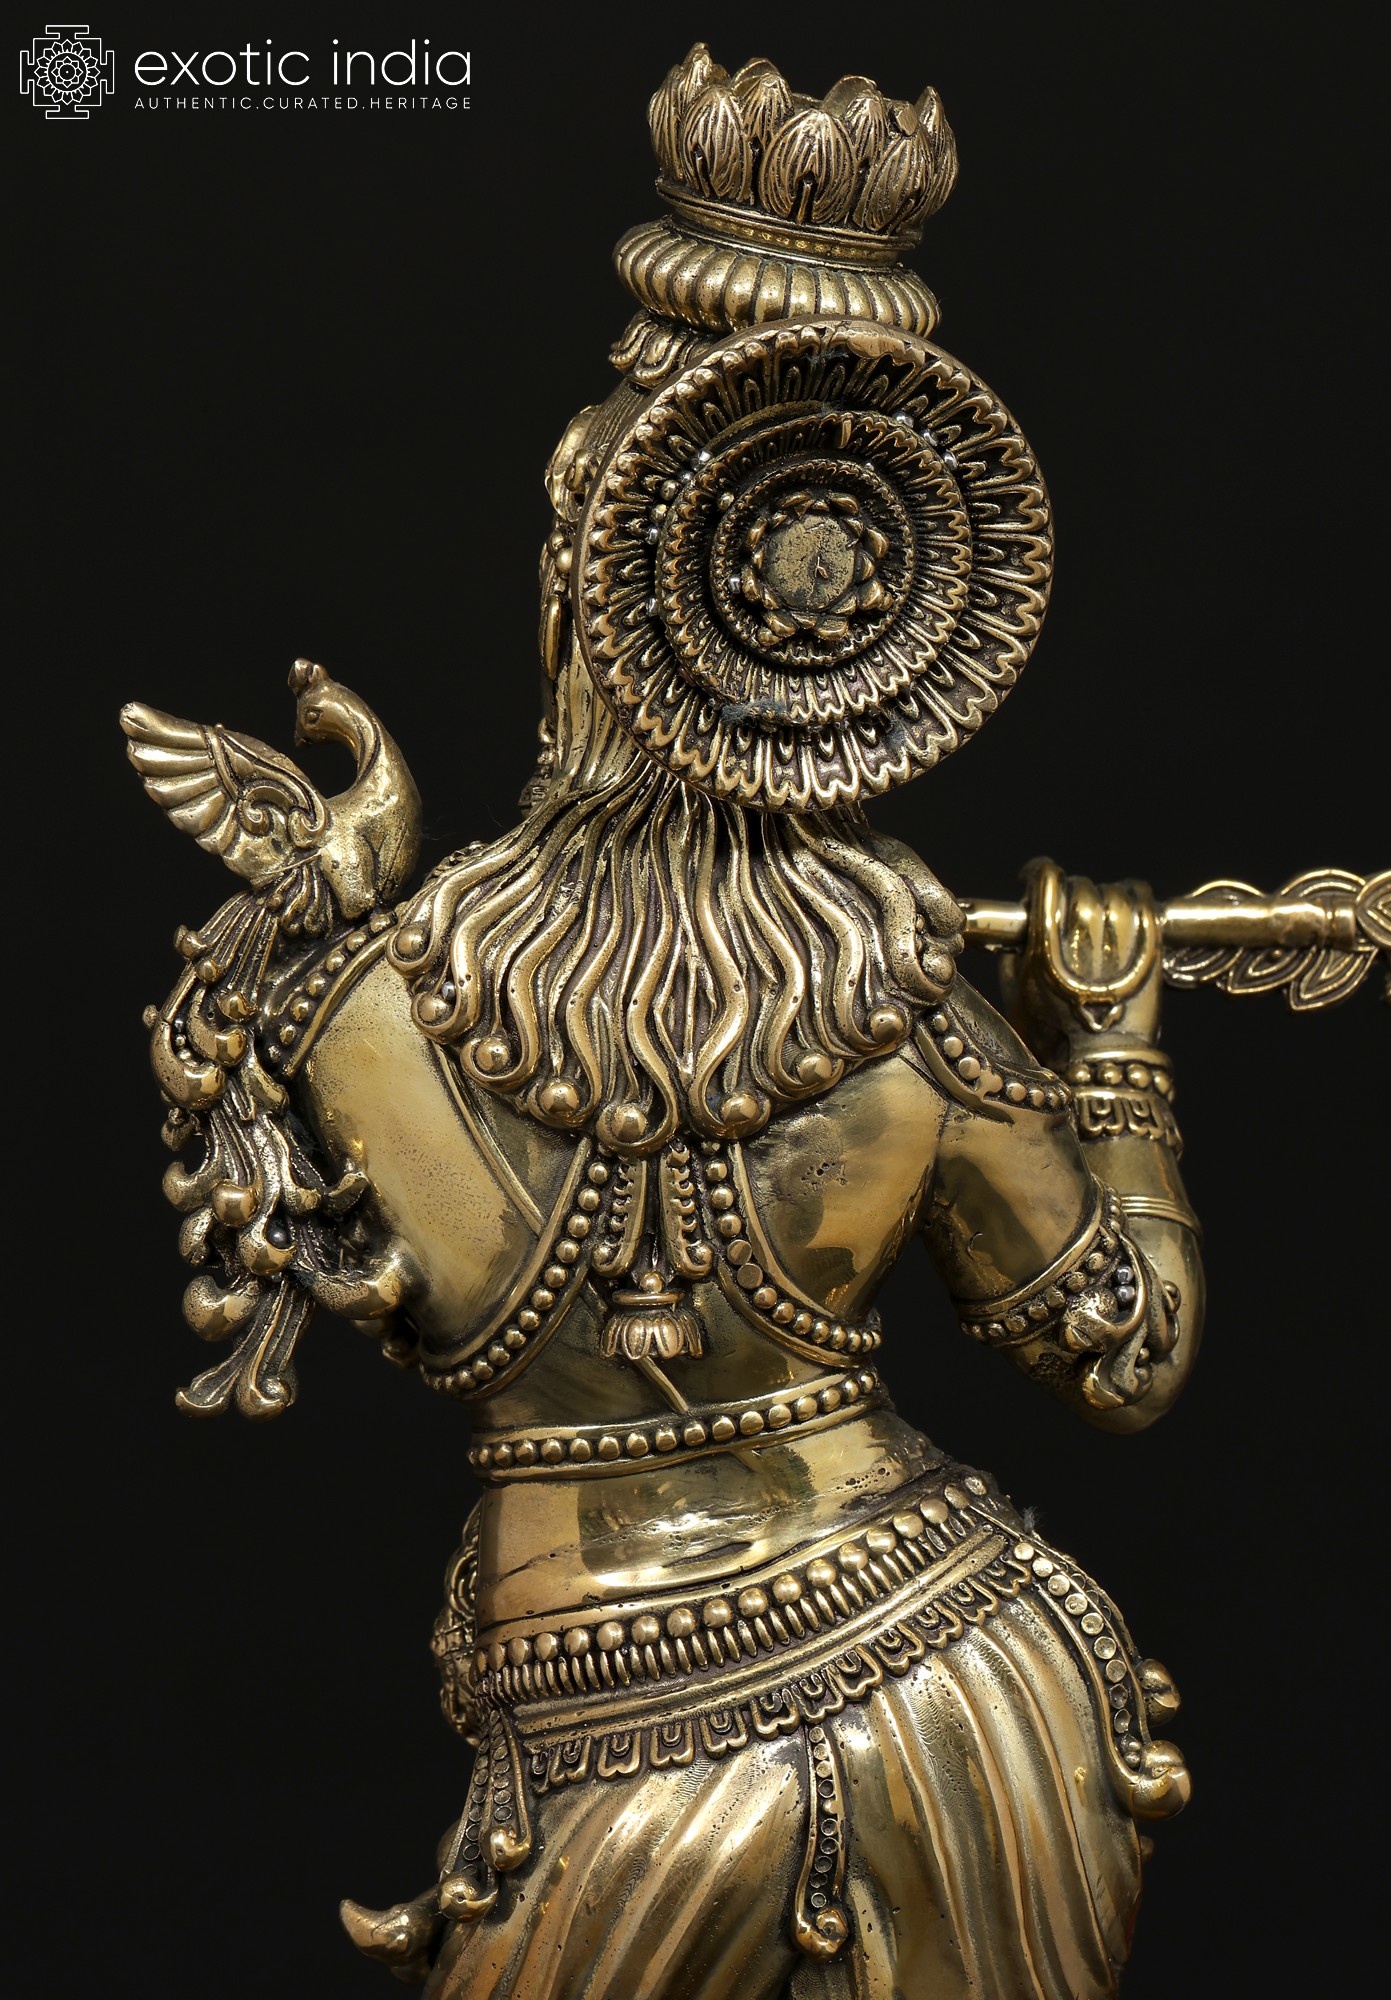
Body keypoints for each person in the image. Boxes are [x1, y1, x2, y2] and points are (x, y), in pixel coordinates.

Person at [128, 48, 1200, 2000]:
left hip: (670, 1720)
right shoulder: (899, 994)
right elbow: (1125, 1350)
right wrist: (1114, 1040)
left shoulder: (386, 994)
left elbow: (319, 1220)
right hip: (957, 1685)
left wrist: (318, 911)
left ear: (575, 597)